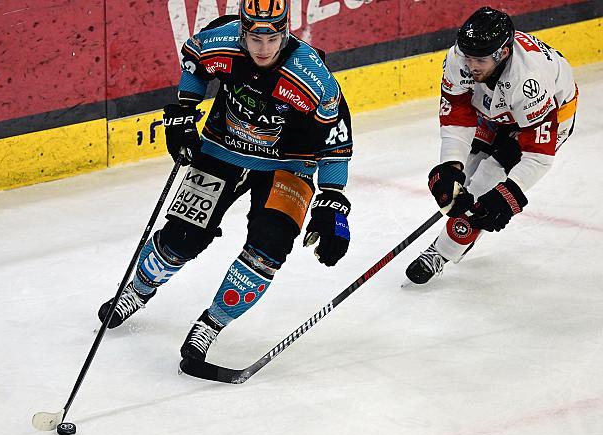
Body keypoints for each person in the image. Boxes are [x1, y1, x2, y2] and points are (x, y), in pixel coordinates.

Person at [97, 0, 354, 361]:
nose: (263, 49)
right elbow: (193, 61)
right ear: (242, 31)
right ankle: (136, 291)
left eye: (273, 38)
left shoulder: (312, 78)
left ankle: (211, 324)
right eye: (254, 38)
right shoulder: (220, 42)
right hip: (222, 149)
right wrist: (184, 112)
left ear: (285, 32)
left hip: (289, 166)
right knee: (183, 235)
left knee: (269, 248)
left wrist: (333, 200)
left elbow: (336, 139)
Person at [405, 6, 577, 284]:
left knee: (487, 187)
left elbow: (538, 156)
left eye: (480, 60)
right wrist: (450, 165)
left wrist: (510, 193)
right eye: (469, 57)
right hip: (496, 111)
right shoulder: (459, 58)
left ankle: (441, 252)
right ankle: (461, 227)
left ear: (503, 53)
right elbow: (458, 116)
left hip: (549, 114)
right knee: (464, 176)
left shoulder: (529, 79)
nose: (471, 66)